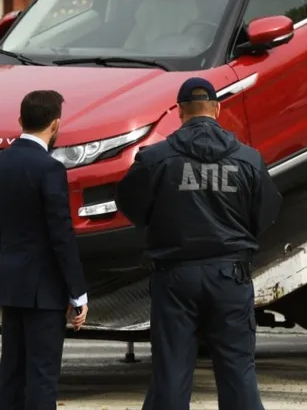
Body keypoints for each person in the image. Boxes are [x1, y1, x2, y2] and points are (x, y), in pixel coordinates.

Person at [116, 77, 282, 410]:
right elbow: (266, 213)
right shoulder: (249, 159)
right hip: (230, 275)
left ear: (179, 112)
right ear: (218, 109)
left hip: (175, 276)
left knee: (172, 370)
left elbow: (129, 204)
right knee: (237, 368)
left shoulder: (155, 159)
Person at [0, 89, 89, 410]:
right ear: (55, 125)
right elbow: (61, 235)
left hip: (11, 283)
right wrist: (77, 292)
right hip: (46, 290)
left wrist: (6, 266)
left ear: (20, 121)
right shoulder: (49, 169)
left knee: (11, 371)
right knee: (42, 375)